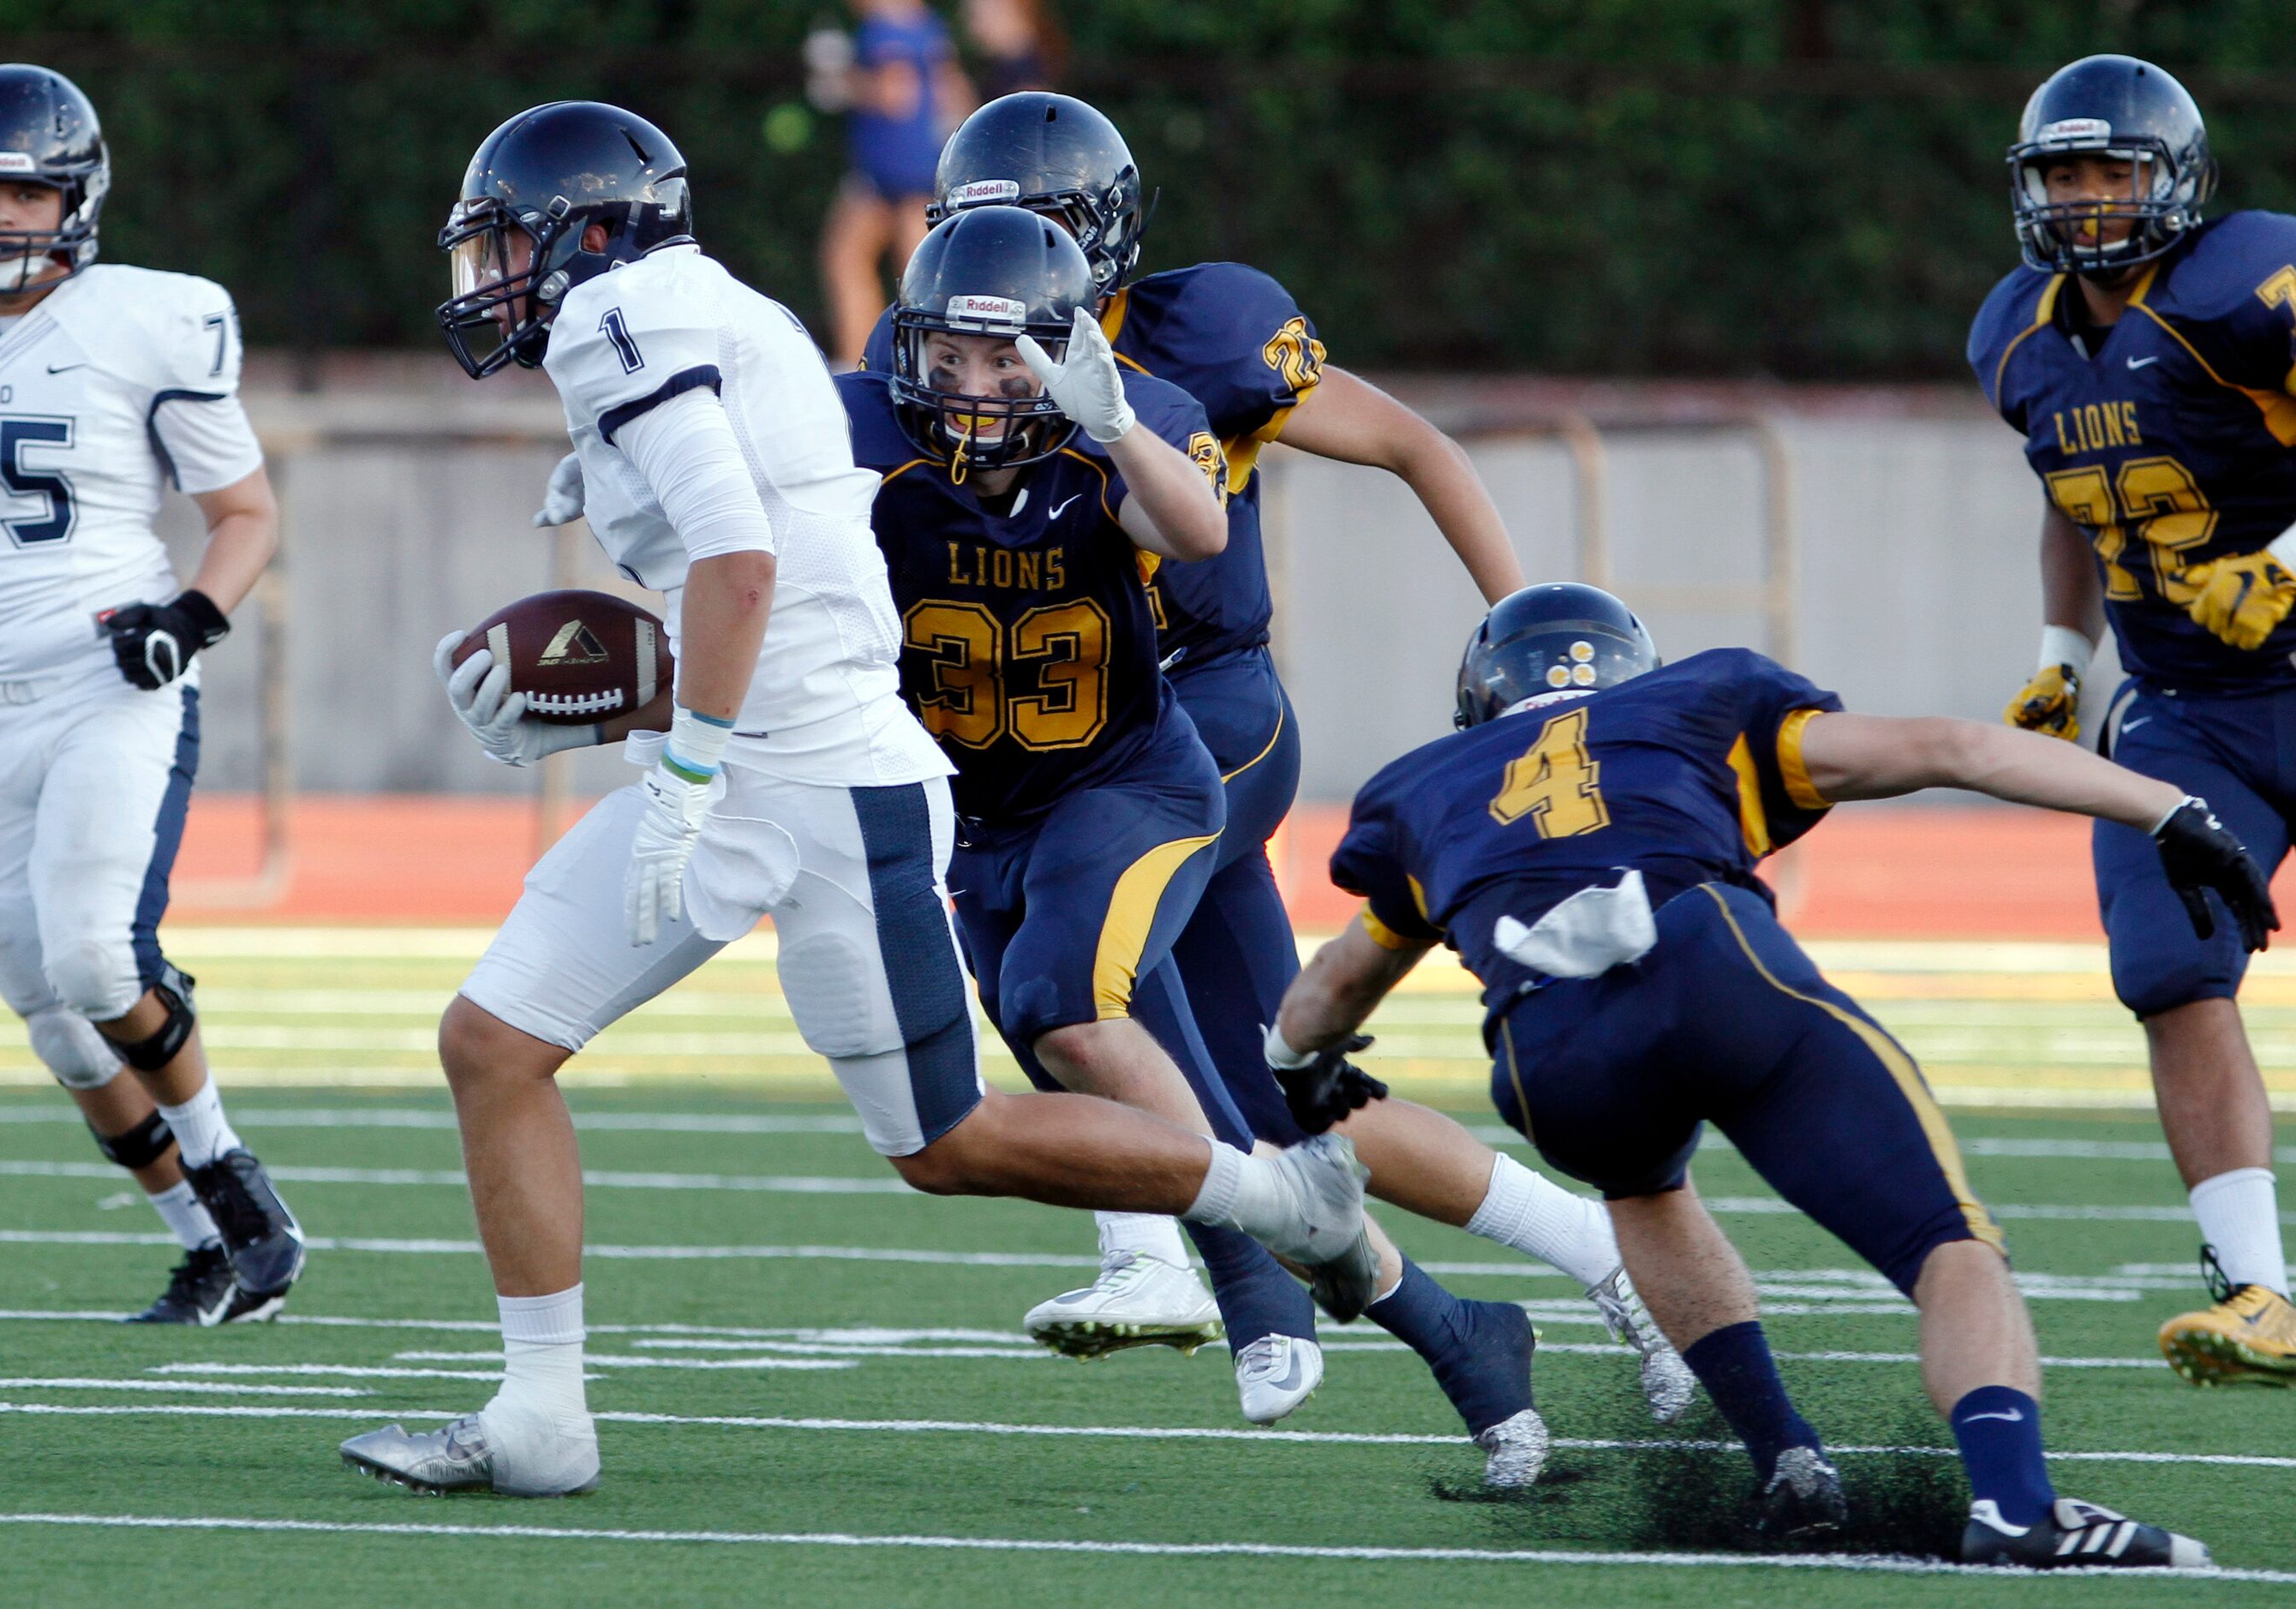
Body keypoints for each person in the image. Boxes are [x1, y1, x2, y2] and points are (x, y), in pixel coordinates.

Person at [339, 102, 1374, 1500]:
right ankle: (540, 1417)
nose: (495, 273)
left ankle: (1270, 1193)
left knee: (945, 1146)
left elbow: (741, 559)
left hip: (822, 778)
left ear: (587, 230)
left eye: (512, 240)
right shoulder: (695, 301)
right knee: (494, 1039)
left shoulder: (618, 321)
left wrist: (682, 757)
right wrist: (656, 697)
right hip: (762, 745)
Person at [859, 93, 1683, 1403]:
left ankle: (1191, 1272)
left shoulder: (1203, 346)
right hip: (1054, 730)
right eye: (984, 231)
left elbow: (1416, 443)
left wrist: (1525, 646)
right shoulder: (940, 363)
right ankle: (1562, 1282)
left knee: (1071, 995)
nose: (1012, 261)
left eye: (1044, 227)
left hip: (1198, 716)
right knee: (1275, 1091)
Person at [1268, 582, 2257, 1565]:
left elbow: (1333, 986)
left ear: (1478, 697)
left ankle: (1788, 1462)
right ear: (1629, 673)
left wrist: (1299, 1068)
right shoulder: (1698, 701)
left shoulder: (1423, 786)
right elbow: (1954, 750)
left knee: (1641, 1186)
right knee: (1949, 1241)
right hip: (1710, 961)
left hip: (1542, 1047)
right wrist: (2168, 810)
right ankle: (2014, 1503)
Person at [0, 63, 301, 1325]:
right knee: (45, 1008)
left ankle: (232, 1173)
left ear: (73, 198)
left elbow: (245, 515)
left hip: (105, 676)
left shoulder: (150, 320)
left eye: (22, 191)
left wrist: (187, 619)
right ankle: (203, 1243)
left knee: (91, 952)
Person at [1973, 53, 2296, 1383]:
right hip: (2188, 707)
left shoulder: (2246, 286)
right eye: (2066, 172)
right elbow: (2071, 483)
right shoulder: (2014, 333)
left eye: (2115, 171)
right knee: (2168, 968)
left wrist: (2284, 560)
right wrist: (2062, 651)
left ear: (2175, 179)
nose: (2090, 198)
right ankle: (2262, 1290)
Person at [811, 0, 975, 367]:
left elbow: (895, 95)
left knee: (858, 262)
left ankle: (868, 361)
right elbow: (955, 96)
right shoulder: (928, 24)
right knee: (908, 269)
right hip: (918, 165)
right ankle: (912, 361)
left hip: (894, 169)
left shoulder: (884, 29)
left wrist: (840, 81)